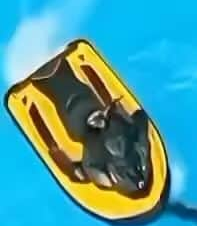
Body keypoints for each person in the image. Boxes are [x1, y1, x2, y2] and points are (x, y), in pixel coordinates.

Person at [34, 55, 153, 198]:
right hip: (93, 120)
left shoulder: (135, 154)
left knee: (70, 97)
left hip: (88, 122)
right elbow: (140, 118)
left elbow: (140, 118)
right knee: (72, 96)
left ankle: (51, 74)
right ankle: (52, 74)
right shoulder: (137, 153)